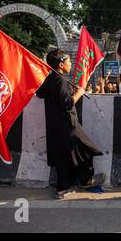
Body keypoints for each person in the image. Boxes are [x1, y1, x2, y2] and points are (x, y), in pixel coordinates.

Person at [36, 49, 104, 199]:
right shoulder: (60, 81)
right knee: (85, 149)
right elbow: (67, 104)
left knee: (62, 156)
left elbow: (40, 93)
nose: (70, 64)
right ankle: (85, 180)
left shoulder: (51, 79)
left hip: (55, 126)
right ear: (61, 64)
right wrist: (80, 92)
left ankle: (62, 189)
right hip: (68, 125)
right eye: (68, 61)